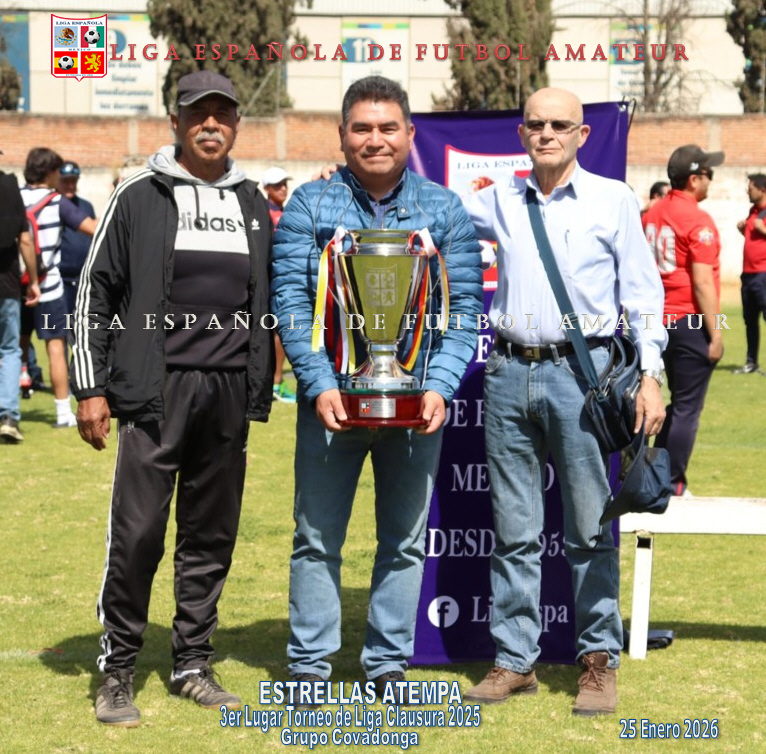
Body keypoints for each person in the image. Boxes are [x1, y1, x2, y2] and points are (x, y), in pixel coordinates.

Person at [71, 70, 274, 727]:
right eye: (197, 113)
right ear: (176, 122)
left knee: (211, 536)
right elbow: (94, 292)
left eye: (223, 113)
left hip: (227, 395)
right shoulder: (139, 194)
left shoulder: (252, 201)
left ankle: (192, 664)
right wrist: (89, 387)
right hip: (153, 393)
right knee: (137, 537)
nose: (211, 123)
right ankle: (117, 672)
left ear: (236, 123)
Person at [271, 75, 483, 703]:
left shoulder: (444, 210)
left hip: (415, 405)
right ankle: (310, 667)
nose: (375, 139)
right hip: (332, 404)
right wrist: (317, 384)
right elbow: (289, 302)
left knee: (405, 542)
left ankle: (387, 663)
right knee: (316, 540)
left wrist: (439, 385)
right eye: (361, 128)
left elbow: (464, 309)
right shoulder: (309, 206)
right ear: (342, 135)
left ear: (410, 134)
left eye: (388, 127)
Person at [461, 88, 667, 717]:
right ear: (521, 134)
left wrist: (651, 374)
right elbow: (431, 213)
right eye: (536, 124)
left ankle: (598, 661)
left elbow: (643, 293)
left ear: (582, 134)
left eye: (559, 124)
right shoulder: (498, 198)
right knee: (513, 529)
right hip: (506, 372)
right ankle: (514, 660)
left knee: (588, 527)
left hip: (585, 376)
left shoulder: (613, 198)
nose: (546, 133)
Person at [643, 144, 725, 497]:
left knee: (661, 401)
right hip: (687, 320)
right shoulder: (698, 220)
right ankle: (672, 482)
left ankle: (648, 475)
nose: (711, 180)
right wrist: (716, 333)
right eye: (708, 174)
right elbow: (702, 282)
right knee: (687, 407)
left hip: (651, 319)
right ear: (693, 179)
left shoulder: (652, 212)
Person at [20, 148, 98, 428]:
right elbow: (93, 228)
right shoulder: (57, 202)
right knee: (56, 346)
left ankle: (8, 410)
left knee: (11, 348)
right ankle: (63, 412)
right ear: (51, 173)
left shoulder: (14, 196)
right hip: (49, 285)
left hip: (16, 285)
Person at [0, 155, 40, 443]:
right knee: (9, 350)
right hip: (6, 284)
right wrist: (34, 280)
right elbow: (25, 239)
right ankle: (8, 418)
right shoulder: (10, 188)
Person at [261, 166, 297, 403]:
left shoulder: (286, 212)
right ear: (266, 188)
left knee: (281, 329)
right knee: (277, 330)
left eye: (284, 184)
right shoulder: (263, 212)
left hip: (283, 279)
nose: (283, 188)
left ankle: (275, 382)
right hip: (269, 280)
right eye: (277, 185)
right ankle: (274, 383)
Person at [734, 173, 766, 375]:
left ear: (762, 190)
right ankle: (751, 361)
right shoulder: (753, 212)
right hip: (748, 275)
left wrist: (762, 230)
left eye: (751, 188)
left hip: (764, 275)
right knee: (750, 321)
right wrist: (743, 230)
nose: (747, 191)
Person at [57, 160, 96, 317]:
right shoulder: (53, 205)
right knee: (62, 323)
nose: (70, 185)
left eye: (73, 181)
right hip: (61, 279)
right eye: (66, 181)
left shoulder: (86, 206)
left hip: (83, 278)